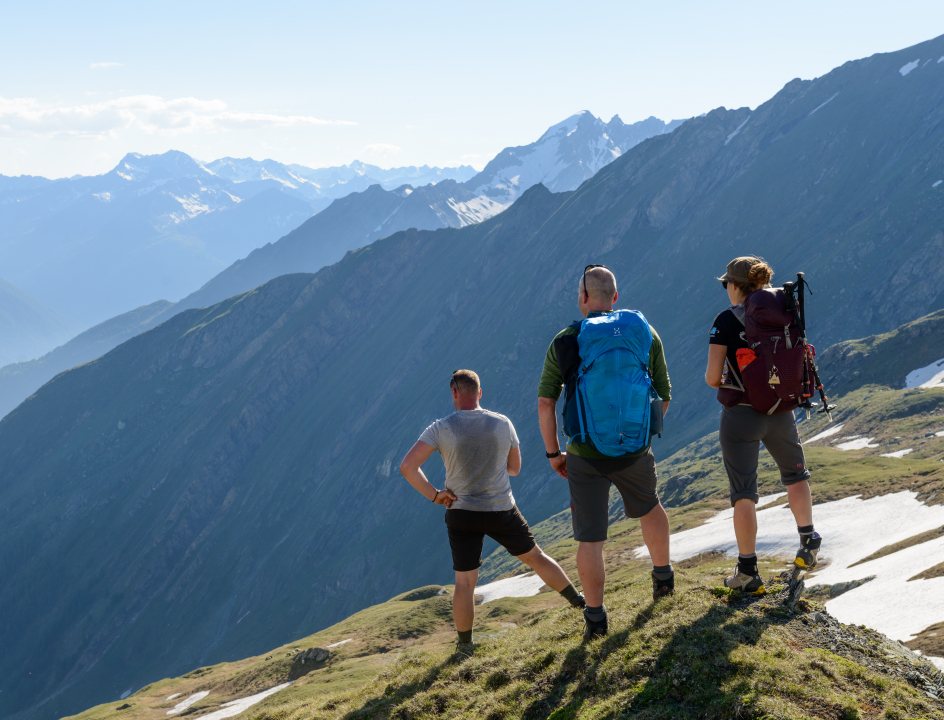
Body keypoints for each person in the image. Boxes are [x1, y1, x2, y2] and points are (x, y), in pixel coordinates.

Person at [400, 369, 585, 656]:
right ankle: (579, 604)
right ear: (480, 392)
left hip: (461, 511)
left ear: (454, 393)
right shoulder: (502, 423)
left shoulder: (440, 428)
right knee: (535, 557)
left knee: (464, 582)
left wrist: (436, 495)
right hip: (501, 508)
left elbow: (408, 467)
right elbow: (515, 468)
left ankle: (464, 646)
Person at [537, 265, 674, 640]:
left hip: (585, 453)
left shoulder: (567, 339)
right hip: (635, 450)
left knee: (591, 538)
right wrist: (640, 436)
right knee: (650, 508)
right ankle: (663, 580)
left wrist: (554, 454)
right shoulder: (643, 332)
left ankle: (596, 619)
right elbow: (663, 393)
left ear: (583, 298)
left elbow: (546, 403)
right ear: (615, 297)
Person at [705, 256, 822, 594]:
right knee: (796, 474)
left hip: (741, 415)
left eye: (726, 283)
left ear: (736, 286)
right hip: (781, 409)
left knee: (744, 493)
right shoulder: (784, 312)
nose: (725, 288)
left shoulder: (725, 321)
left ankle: (747, 572)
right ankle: (808, 537)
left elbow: (713, 377)